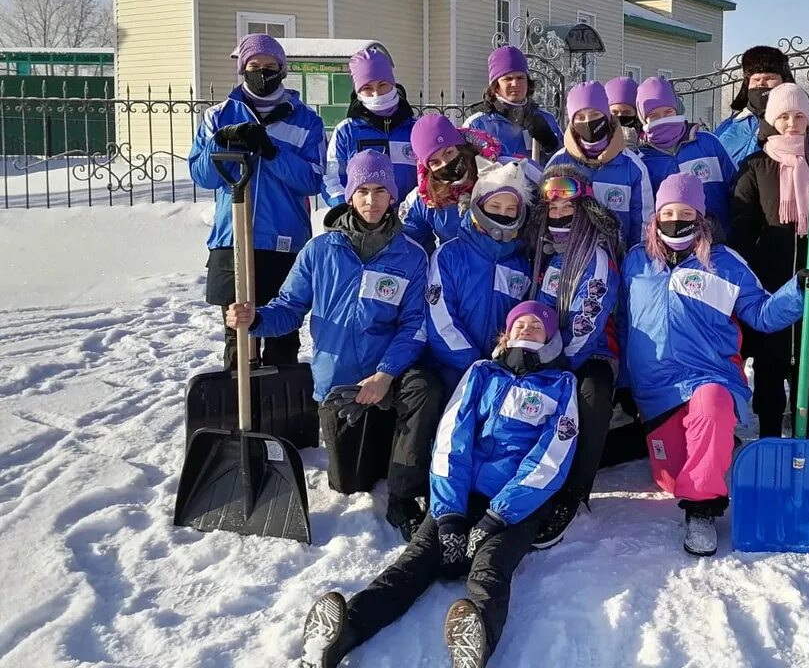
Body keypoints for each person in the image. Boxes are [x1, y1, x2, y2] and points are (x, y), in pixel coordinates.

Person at [299, 301, 579, 668]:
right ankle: (342, 633)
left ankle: (476, 640)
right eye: (519, 323)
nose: (526, 329)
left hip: (514, 509)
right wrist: (448, 516)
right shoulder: (482, 373)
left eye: (536, 326)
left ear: (551, 339)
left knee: (491, 569)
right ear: (506, 334)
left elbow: (551, 457)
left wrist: (497, 517)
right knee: (413, 563)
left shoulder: (561, 384)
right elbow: (452, 440)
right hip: (461, 497)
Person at [226, 151, 437, 540]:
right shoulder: (321, 251)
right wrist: (255, 319)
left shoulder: (410, 256)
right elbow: (288, 308)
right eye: (363, 191)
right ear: (349, 197)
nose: (371, 201)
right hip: (339, 387)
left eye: (380, 191)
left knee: (421, 399)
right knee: (350, 484)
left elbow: (413, 325)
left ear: (392, 196)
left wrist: (386, 374)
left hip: (386, 382)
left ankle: (406, 487)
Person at [623, 172, 809, 556]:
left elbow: (762, 314)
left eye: (685, 212)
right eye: (667, 213)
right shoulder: (637, 261)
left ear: (700, 217)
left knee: (712, 405)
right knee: (669, 479)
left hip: (708, 377)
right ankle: (712, 447)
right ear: (655, 217)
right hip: (655, 392)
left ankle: (702, 510)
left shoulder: (723, 263)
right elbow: (619, 320)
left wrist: (798, 291)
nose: (675, 221)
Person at [188, 33, 326, 368]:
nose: (261, 72)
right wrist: (223, 144)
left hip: (284, 242)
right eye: (253, 65)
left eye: (269, 66)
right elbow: (202, 175)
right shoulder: (218, 116)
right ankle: (240, 413)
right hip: (233, 241)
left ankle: (281, 416)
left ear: (282, 69)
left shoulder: (306, 120)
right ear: (242, 69)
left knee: (282, 338)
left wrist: (272, 152)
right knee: (239, 339)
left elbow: (312, 180)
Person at [729, 83, 809, 439]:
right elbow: (740, 230)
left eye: (799, 116)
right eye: (784, 116)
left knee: (808, 366)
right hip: (769, 284)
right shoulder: (755, 167)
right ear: (771, 120)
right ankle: (768, 433)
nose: (792, 123)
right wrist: (744, 282)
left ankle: (804, 434)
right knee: (769, 362)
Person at [523, 164, 625, 548]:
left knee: (589, 396)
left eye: (570, 206)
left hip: (590, 353)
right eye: (553, 208)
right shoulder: (540, 251)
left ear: (585, 207)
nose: (560, 214)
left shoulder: (594, 254)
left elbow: (588, 321)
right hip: (541, 351)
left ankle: (573, 492)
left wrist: (553, 364)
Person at [425, 160, 536, 395]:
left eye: (510, 209)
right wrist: (474, 364)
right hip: (453, 371)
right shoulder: (450, 254)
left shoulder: (521, 264)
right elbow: (441, 318)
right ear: (480, 206)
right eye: (495, 206)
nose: (503, 215)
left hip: (500, 375)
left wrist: (504, 362)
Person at [548, 81, 654, 249]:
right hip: (568, 260)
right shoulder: (559, 163)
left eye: (595, 115)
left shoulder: (632, 167)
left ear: (606, 116)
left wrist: (633, 261)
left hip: (617, 262)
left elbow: (642, 226)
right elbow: (547, 213)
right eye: (580, 117)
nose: (588, 122)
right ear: (572, 122)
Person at [635, 75, 737, 231]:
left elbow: (736, 187)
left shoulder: (708, 143)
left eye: (668, 112)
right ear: (644, 120)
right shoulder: (642, 159)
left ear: (678, 110)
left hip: (719, 241)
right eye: (653, 116)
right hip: (671, 245)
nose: (663, 119)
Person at [322, 46, 418, 207]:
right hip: (363, 224)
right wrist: (346, 211)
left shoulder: (415, 129)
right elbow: (332, 179)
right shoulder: (346, 132)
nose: (376, 94)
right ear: (358, 92)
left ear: (393, 84)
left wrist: (416, 214)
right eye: (367, 88)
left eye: (382, 85)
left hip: (411, 224)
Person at [713, 45, 809, 167]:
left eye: (770, 78)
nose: (761, 83)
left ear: (785, 81)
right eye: (756, 79)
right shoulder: (730, 125)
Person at [401, 113, 504, 253]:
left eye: (448, 153)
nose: (446, 164)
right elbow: (413, 246)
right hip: (453, 270)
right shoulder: (426, 198)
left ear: (460, 147)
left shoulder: (499, 173)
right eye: (435, 162)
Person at [463, 45, 561, 159]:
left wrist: (551, 144)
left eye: (520, 78)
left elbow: (566, 164)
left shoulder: (547, 119)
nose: (515, 84)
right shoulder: (477, 124)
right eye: (508, 79)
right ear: (495, 85)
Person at [605, 75, 642, 147]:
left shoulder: (646, 139)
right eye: (614, 112)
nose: (620, 117)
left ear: (637, 114)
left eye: (627, 113)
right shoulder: (598, 139)